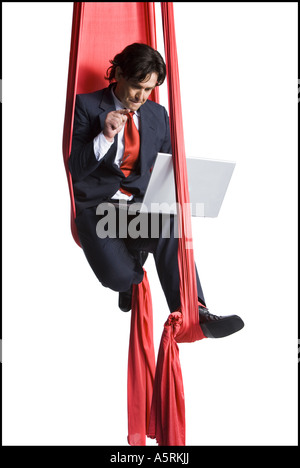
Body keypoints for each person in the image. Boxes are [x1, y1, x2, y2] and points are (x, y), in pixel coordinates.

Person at [68, 42, 244, 338]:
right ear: (119, 74)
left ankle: (195, 310)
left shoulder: (157, 115)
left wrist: (182, 193)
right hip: (98, 211)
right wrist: (106, 136)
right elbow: (75, 167)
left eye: (148, 89)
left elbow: (164, 168)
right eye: (137, 86)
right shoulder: (85, 106)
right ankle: (130, 277)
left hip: (137, 210)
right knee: (121, 277)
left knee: (170, 224)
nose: (141, 96)